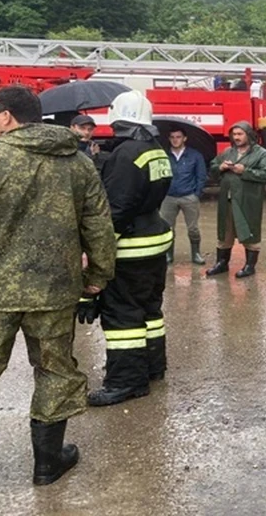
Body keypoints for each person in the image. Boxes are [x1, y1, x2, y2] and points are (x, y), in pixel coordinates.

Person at [0, 85, 116, 494]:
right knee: (55, 370)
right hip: (54, 291)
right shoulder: (77, 162)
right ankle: (48, 464)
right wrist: (100, 275)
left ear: (7, 116)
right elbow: (98, 225)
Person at [89, 91, 174, 407]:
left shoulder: (126, 154)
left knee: (123, 317)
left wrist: (99, 254)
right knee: (149, 311)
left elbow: (117, 209)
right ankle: (152, 366)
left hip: (131, 248)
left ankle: (126, 382)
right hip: (154, 242)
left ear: (117, 118)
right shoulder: (155, 149)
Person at [206, 122, 266, 278]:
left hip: (249, 200)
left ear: (249, 135)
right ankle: (222, 264)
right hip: (227, 199)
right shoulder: (227, 152)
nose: (236, 137)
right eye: (234, 134)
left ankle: (250, 266)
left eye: (240, 134)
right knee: (225, 232)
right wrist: (221, 167)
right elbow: (213, 168)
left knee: (250, 230)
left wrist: (245, 171)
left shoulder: (261, 154)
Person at [160, 127, 208, 265]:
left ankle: (196, 253)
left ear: (184, 138)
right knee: (167, 228)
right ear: (169, 139)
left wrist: (196, 194)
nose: (175, 140)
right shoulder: (164, 155)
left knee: (193, 228)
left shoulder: (195, 155)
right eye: (172, 137)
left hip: (189, 196)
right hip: (169, 197)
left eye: (178, 137)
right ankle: (168, 255)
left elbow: (201, 176)